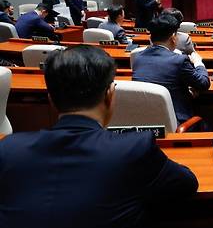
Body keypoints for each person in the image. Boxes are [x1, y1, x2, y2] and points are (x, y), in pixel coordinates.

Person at [0, 45, 198, 227]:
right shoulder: (134, 147)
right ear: (110, 94)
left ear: (51, 99)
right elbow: (187, 185)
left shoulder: (8, 149)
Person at [132, 14, 210, 125]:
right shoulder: (179, 60)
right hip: (176, 122)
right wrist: (198, 63)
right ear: (173, 38)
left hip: (144, 122)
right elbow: (203, 83)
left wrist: (183, 93)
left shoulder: (138, 58)